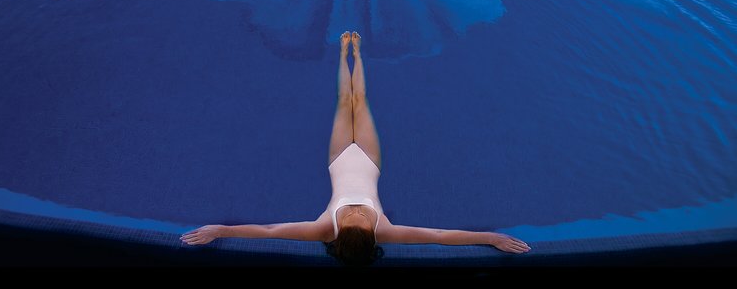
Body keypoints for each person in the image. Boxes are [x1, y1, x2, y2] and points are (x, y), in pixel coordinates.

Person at [181, 32, 530, 266]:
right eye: (363, 221)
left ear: (339, 235)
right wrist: (490, 238)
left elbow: (269, 231)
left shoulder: (324, 229)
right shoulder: (384, 232)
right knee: (360, 100)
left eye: (353, 220)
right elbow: (439, 236)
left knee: (343, 100)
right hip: (368, 160)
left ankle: (342, 52)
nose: (358, 215)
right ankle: (357, 53)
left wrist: (220, 230)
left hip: (338, 159)